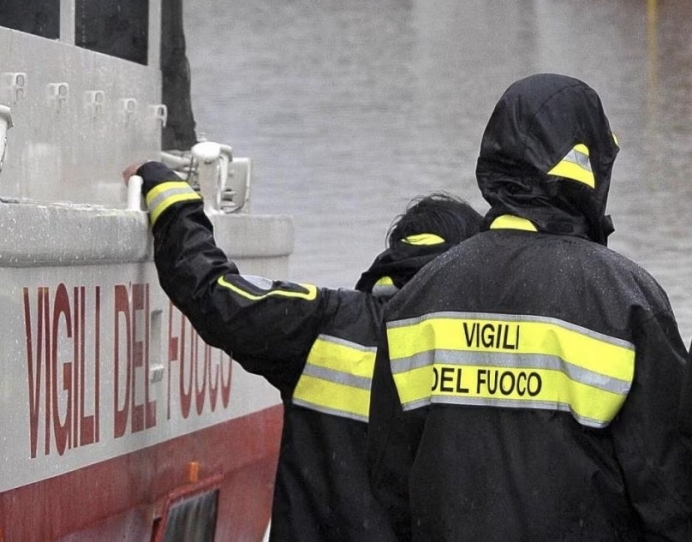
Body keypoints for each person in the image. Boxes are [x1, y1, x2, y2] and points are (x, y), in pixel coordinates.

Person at [368, 73, 692, 540]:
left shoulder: (417, 299)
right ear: (586, 168)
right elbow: (667, 490)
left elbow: (391, 483)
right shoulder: (624, 298)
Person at [125, 159, 482, 541]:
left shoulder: (325, 322)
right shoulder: (489, 355)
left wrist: (172, 199)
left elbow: (213, 292)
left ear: (394, 256)